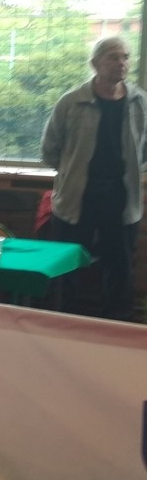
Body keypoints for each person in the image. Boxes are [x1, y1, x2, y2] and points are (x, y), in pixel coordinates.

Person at [41, 36, 147, 321]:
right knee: (67, 264)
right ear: (95, 63)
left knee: (120, 265)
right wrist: (72, 173)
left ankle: (116, 324)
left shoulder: (139, 101)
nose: (121, 63)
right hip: (77, 198)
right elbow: (50, 149)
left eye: (125, 57)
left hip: (122, 198)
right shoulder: (71, 101)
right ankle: (64, 320)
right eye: (113, 57)